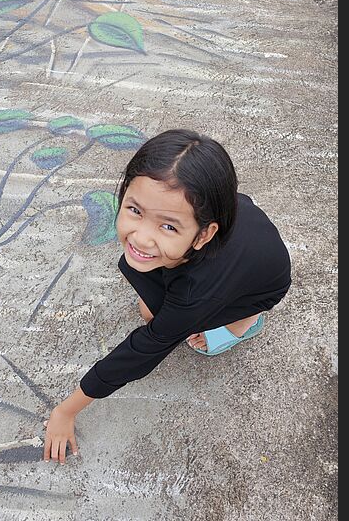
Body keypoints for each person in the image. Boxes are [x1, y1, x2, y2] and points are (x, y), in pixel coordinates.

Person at [43, 129, 292, 464]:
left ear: (205, 234)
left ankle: (245, 323)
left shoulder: (194, 293)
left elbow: (139, 354)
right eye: (134, 210)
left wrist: (65, 411)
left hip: (259, 285)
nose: (141, 238)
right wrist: (169, 234)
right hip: (238, 241)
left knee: (160, 322)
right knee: (153, 304)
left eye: (168, 226)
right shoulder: (201, 212)